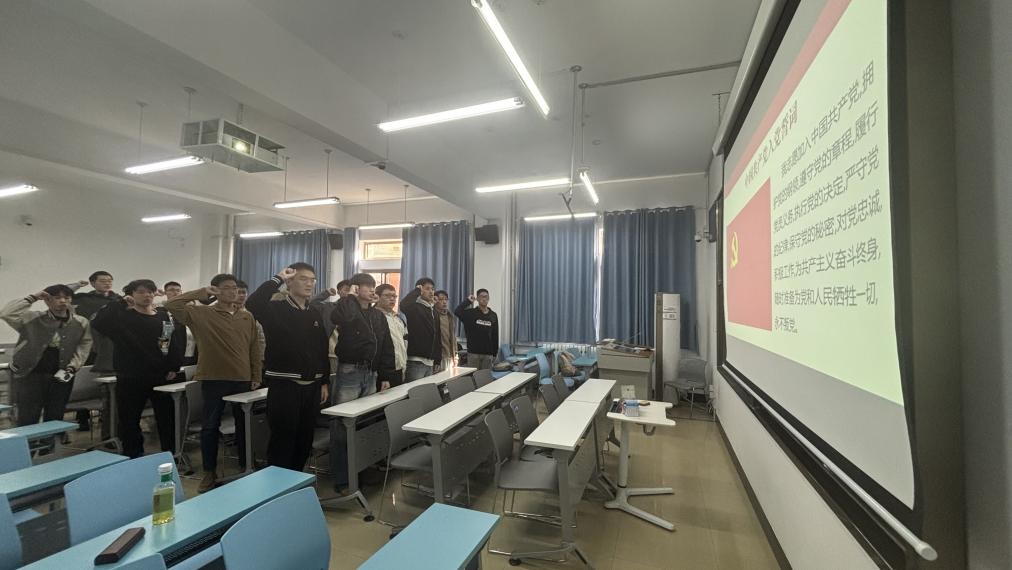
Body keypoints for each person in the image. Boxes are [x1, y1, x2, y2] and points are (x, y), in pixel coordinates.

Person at [165, 274, 261, 492]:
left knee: (244, 424)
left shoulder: (246, 317)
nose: (233, 292)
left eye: (235, 288)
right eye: (226, 288)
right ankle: (209, 471)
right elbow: (171, 305)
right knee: (210, 426)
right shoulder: (200, 313)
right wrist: (202, 292)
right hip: (213, 378)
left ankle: (247, 464)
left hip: (242, 379)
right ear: (216, 290)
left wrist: (256, 375)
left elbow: (254, 348)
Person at [245, 263, 330, 472]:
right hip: (285, 385)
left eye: (312, 280)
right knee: (283, 440)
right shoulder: (276, 309)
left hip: (312, 386)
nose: (309, 284)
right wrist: (278, 278)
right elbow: (253, 303)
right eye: (303, 279)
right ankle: (277, 486)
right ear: (290, 282)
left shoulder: (314, 312)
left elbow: (322, 349)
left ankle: (296, 481)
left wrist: (324, 381)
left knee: (304, 439)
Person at [91, 279, 185, 458]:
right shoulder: (122, 317)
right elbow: (98, 322)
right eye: (141, 292)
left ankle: (170, 454)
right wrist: (120, 303)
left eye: (149, 292)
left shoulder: (162, 316)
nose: (146, 295)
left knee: (166, 418)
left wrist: (173, 365)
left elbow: (167, 342)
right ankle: (133, 455)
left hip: (160, 375)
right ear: (131, 295)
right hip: (131, 376)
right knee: (129, 419)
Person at [330, 273, 397, 491]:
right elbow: (341, 317)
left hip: (371, 374)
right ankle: (343, 478)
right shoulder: (347, 308)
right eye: (366, 286)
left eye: (372, 286)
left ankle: (362, 471)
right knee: (343, 425)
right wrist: (350, 297)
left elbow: (387, 346)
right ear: (356, 288)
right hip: (350, 372)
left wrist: (385, 375)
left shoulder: (377, 315)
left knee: (365, 424)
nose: (371, 290)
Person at [0, 285, 92, 440]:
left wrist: (72, 367)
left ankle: (49, 448)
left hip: (63, 373)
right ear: (47, 300)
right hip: (31, 373)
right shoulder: (33, 318)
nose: (62, 301)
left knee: (56, 414)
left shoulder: (81, 322)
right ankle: (28, 448)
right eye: (57, 297)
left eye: (67, 298)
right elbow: (6, 313)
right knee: (28, 415)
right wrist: (33, 297)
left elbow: (84, 345)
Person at [73, 271, 121, 373]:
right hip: (88, 339)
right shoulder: (83, 298)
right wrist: (77, 285)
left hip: (110, 342)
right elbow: (57, 293)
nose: (107, 283)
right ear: (93, 283)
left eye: (109, 281)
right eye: (103, 281)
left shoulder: (119, 300)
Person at [400, 277, 441, 382]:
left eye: (432, 289)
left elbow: (437, 336)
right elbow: (403, 305)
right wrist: (417, 291)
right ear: (420, 290)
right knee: (414, 391)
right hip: (416, 361)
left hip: (430, 362)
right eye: (427, 289)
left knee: (426, 391)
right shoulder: (414, 307)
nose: (431, 292)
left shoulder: (433, 310)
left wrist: (437, 359)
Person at [455, 289, 500, 370]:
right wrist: (468, 301)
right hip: (473, 353)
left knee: (486, 376)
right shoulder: (471, 313)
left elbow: (495, 335)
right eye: (481, 297)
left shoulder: (493, 315)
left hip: (488, 354)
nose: (484, 299)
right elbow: (457, 311)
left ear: (488, 298)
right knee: (474, 376)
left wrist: (494, 353)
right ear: (477, 299)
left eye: (486, 297)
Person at [375, 283, 407, 388]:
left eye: (394, 296)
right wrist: (383, 373)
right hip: (381, 370)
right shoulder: (374, 317)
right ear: (377, 297)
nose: (392, 299)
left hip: (399, 367)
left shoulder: (398, 318)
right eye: (387, 296)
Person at [434, 290, 457, 372]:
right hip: (438, 356)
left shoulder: (449, 316)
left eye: (446, 299)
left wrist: (455, 354)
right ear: (435, 300)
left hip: (449, 356)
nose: (444, 302)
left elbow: (453, 337)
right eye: (441, 299)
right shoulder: (432, 315)